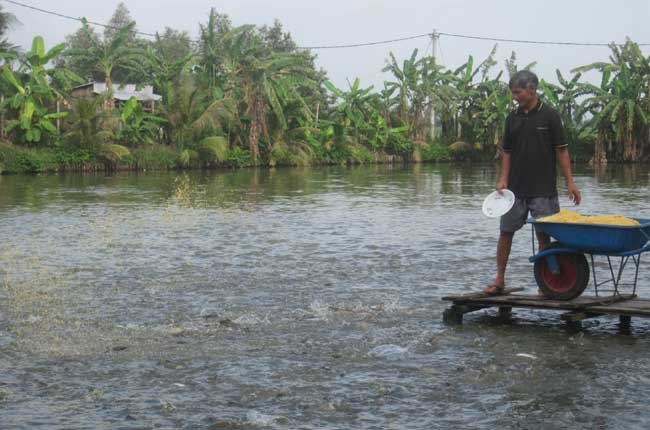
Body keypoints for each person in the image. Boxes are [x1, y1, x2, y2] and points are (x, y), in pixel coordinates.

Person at [484, 70, 581, 294]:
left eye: (517, 92)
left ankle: (546, 282)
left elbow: (562, 150)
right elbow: (507, 152)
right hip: (514, 190)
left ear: (532, 89)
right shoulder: (512, 118)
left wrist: (570, 183)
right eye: (513, 93)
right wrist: (502, 179)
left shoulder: (550, 116)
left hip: (543, 188)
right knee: (505, 232)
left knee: (544, 234)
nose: (515, 97)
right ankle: (499, 279)